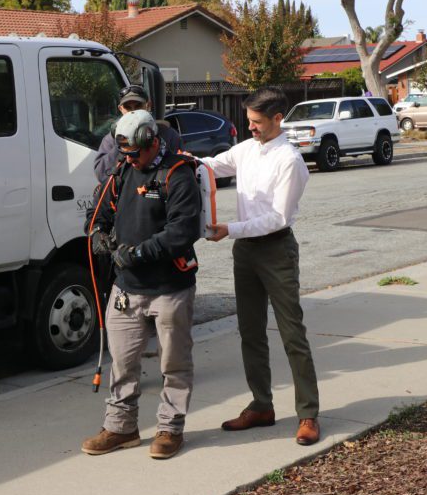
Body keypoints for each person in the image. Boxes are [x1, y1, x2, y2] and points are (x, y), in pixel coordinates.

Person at [201, 86, 321, 446]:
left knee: (291, 333)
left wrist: (230, 229)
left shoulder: (290, 161)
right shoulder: (246, 149)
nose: (250, 127)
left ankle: (308, 414)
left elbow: (278, 218)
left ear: (277, 119)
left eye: (256, 122)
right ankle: (261, 405)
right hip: (245, 252)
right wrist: (174, 156)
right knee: (250, 332)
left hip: (275, 250)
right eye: (248, 120)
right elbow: (211, 164)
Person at [81, 109, 202, 460]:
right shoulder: (120, 172)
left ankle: (169, 429)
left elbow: (182, 231)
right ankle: (121, 428)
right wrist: (100, 236)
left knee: (173, 363)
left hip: (170, 287)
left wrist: (136, 253)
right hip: (126, 289)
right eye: (124, 153)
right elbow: (98, 214)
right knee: (122, 361)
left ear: (152, 141)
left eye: (134, 152)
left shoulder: (178, 174)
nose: (129, 158)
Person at [94, 85, 183, 182]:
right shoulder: (111, 139)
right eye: (128, 107)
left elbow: (180, 172)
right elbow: (101, 174)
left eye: (138, 106)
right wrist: (122, 142)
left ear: (148, 105)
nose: (133, 111)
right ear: (121, 109)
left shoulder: (168, 135)